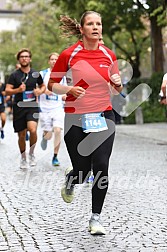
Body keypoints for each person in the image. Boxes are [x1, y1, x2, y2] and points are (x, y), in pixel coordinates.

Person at [48, 11, 123, 235]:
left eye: (98, 23)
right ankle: (72, 178)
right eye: (90, 23)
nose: (95, 27)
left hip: (103, 117)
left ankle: (95, 218)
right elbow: (52, 84)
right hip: (75, 117)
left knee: (101, 165)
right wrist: (69, 89)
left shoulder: (109, 55)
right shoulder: (69, 54)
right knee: (82, 169)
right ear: (82, 29)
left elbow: (115, 91)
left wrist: (118, 84)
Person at [5, 48, 46, 169]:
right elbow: (7, 91)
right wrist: (18, 90)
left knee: (32, 130)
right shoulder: (14, 75)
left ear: (30, 59)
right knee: (21, 135)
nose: (24, 58)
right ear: (19, 59)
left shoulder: (35, 73)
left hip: (32, 106)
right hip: (19, 107)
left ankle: (32, 154)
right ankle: (23, 158)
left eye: (26, 56)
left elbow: (43, 86)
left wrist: (39, 91)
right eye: (22, 57)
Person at [39, 52, 66, 166]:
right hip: (44, 108)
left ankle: (55, 156)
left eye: (56, 59)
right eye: (52, 59)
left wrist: (65, 95)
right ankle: (45, 137)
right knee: (49, 135)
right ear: (49, 61)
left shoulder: (63, 75)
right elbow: (37, 88)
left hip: (58, 107)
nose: (54, 61)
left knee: (58, 130)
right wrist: (45, 91)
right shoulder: (42, 74)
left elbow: (65, 89)